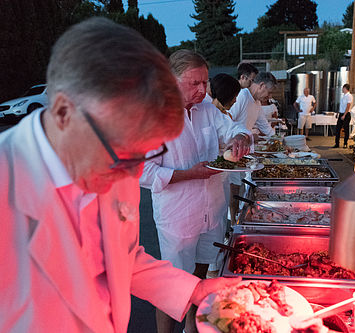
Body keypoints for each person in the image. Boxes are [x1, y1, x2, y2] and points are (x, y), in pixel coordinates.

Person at [0, 17, 241, 332]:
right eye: (118, 152)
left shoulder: (122, 161)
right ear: (63, 112)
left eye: (143, 153)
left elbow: (123, 259)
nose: (130, 172)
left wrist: (195, 290)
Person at [139, 50, 251, 332]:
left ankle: (193, 327)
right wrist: (191, 173)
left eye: (205, 82)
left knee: (201, 271)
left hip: (211, 209)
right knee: (172, 286)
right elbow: (142, 172)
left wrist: (239, 136)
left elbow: (234, 128)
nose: (203, 90)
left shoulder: (209, 110)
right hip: (178, 215)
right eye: (194, 84)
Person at [228, 71, 278, 225]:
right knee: (233, 189)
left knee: (240, 188)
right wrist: (242, 136)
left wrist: (281, 143)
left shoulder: (256, 104)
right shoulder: (242, 96)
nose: (269, 97)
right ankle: (232, 225)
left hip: (243, 152)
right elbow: (227, 119)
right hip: (231, 150)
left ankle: (236, 220)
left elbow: (265, 127)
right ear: (261, 85)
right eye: (268, 92)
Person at [334, 83, 353, 148]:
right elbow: (341, 106)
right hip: (341, 113)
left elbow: (348, 106)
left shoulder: (349, 96)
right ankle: (337, 143)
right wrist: (338, 113)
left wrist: (344, 115)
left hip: (346, 114)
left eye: (343, 88)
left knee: (346, 129)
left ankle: (345, 143)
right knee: (337, 129)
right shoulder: (343, 96)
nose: (342, 89)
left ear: (345, 88)